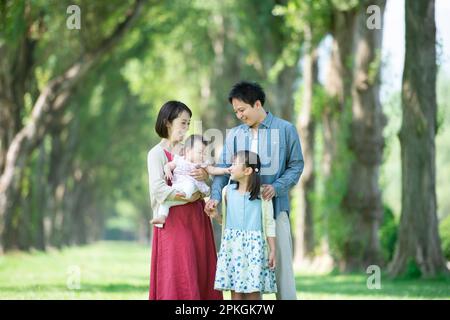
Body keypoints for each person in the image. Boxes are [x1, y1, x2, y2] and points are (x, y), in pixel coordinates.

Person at [205, 81, 304, 300]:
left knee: (281, 269)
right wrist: (214, 197)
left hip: (274, 209)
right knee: (242, 275)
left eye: (242, 109)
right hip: (240, 216)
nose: (239, 115)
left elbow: (296, 165)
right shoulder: (235, 135)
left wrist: (276, 188)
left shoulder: (286, 129)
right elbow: (223, 168)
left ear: (257, 104)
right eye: (236, 111)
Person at [147, 100, 222, 300]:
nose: (186, 127)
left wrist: (204, 179)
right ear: (167, 122)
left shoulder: (192, 150)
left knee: (200, 270)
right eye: (183, 122)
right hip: (172, 220)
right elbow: (158, 189)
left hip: (197, 220)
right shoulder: (156, 154)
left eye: (188, 123)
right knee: (178, 272)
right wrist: (190, 195)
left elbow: (208, 178)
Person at [210, 150, 277, 300]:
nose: (230, 167)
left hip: (255, 249)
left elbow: (269, 224)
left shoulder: (263, 195)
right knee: (235, 292)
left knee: (254, 291)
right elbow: (227, 223)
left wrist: (272, 250)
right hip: (232, 247)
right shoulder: (227, 192)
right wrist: (216, 216)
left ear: (247, 170)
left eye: (234, 164)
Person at [151, 134, 230, 226]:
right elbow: (168, 165)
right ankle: (161, 218)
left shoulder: (201, 164)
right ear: (188, 151)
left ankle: (185, 194)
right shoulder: (179, 160)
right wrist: (167, 170)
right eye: (200, 152)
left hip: (191, 190)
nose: (203, 156)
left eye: (204, 153)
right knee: (165, 203)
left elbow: (213, 170)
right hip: (179, 188)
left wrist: (225, 170)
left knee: (190, 185)